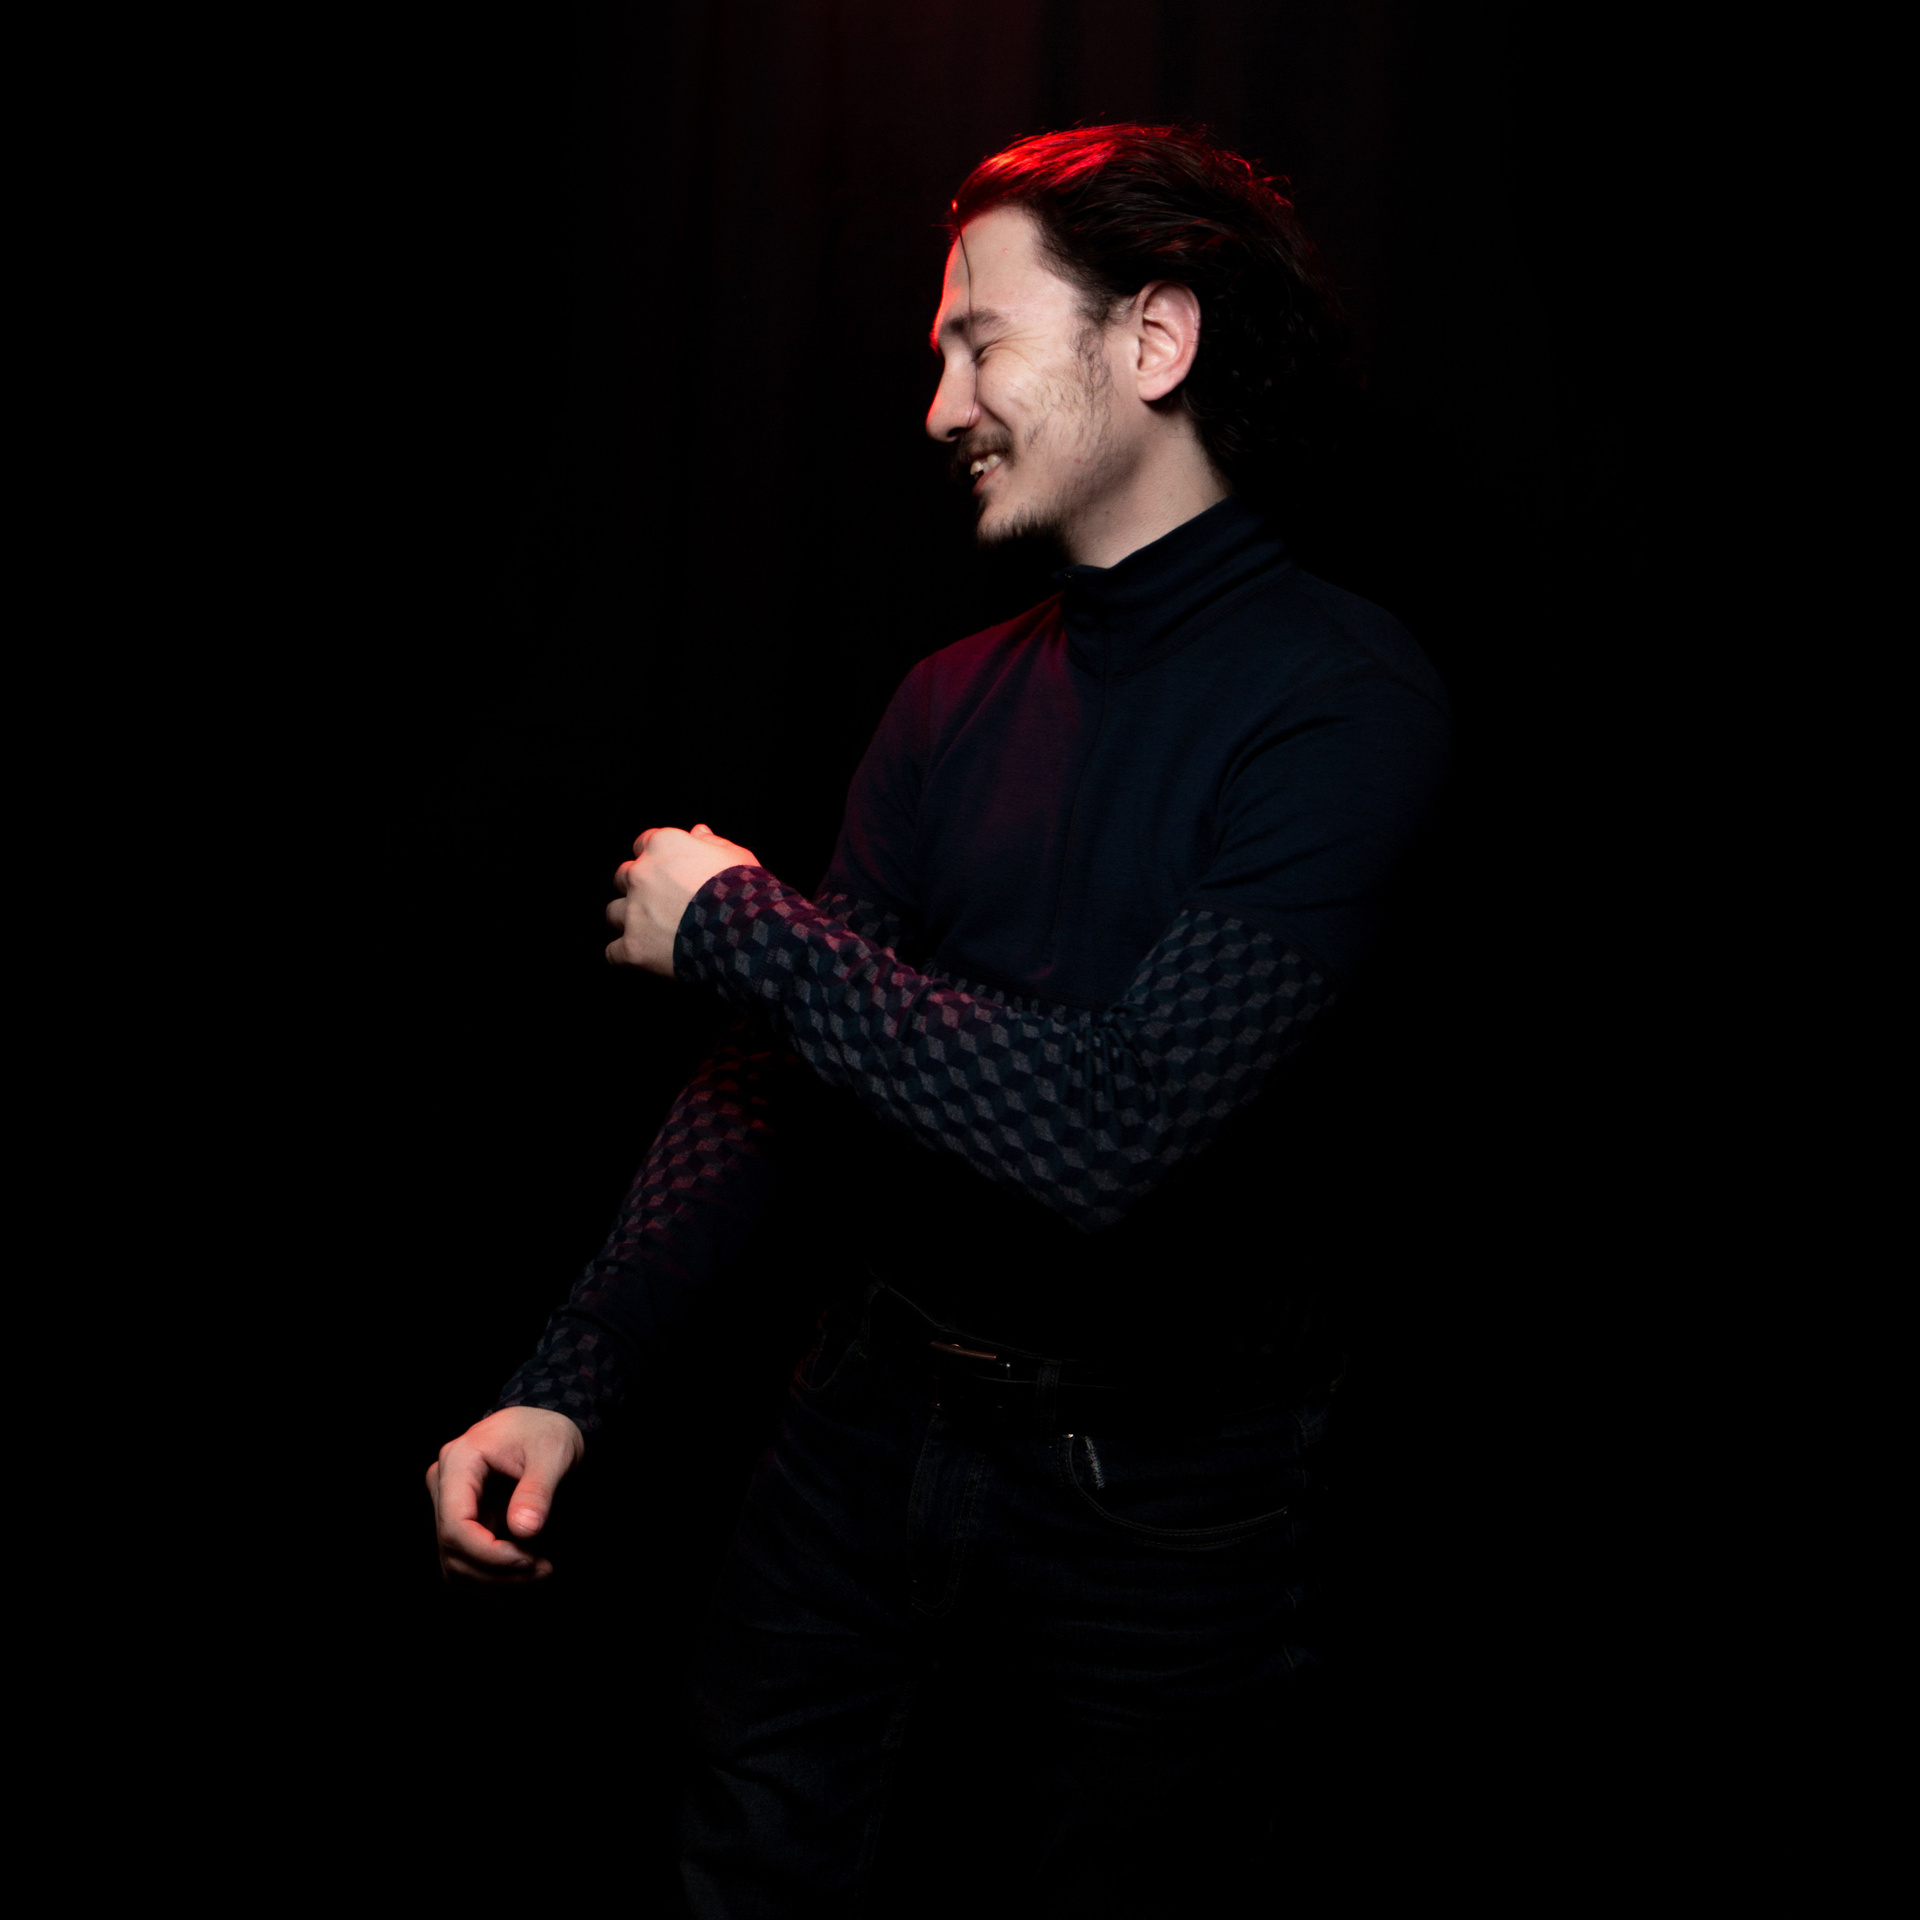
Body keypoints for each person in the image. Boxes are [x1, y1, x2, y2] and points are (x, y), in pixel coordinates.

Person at [427, 124, 1451, 1914]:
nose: (939, 407)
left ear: (1155, 338)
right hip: (864, 1419)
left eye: (979, 343)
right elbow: (773, 1080)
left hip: (1167, 1490)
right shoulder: (950, 697)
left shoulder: (1342, 704)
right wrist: (568, 1382)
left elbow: (1118, 1127)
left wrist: (743, 926)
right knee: (746, 1869)